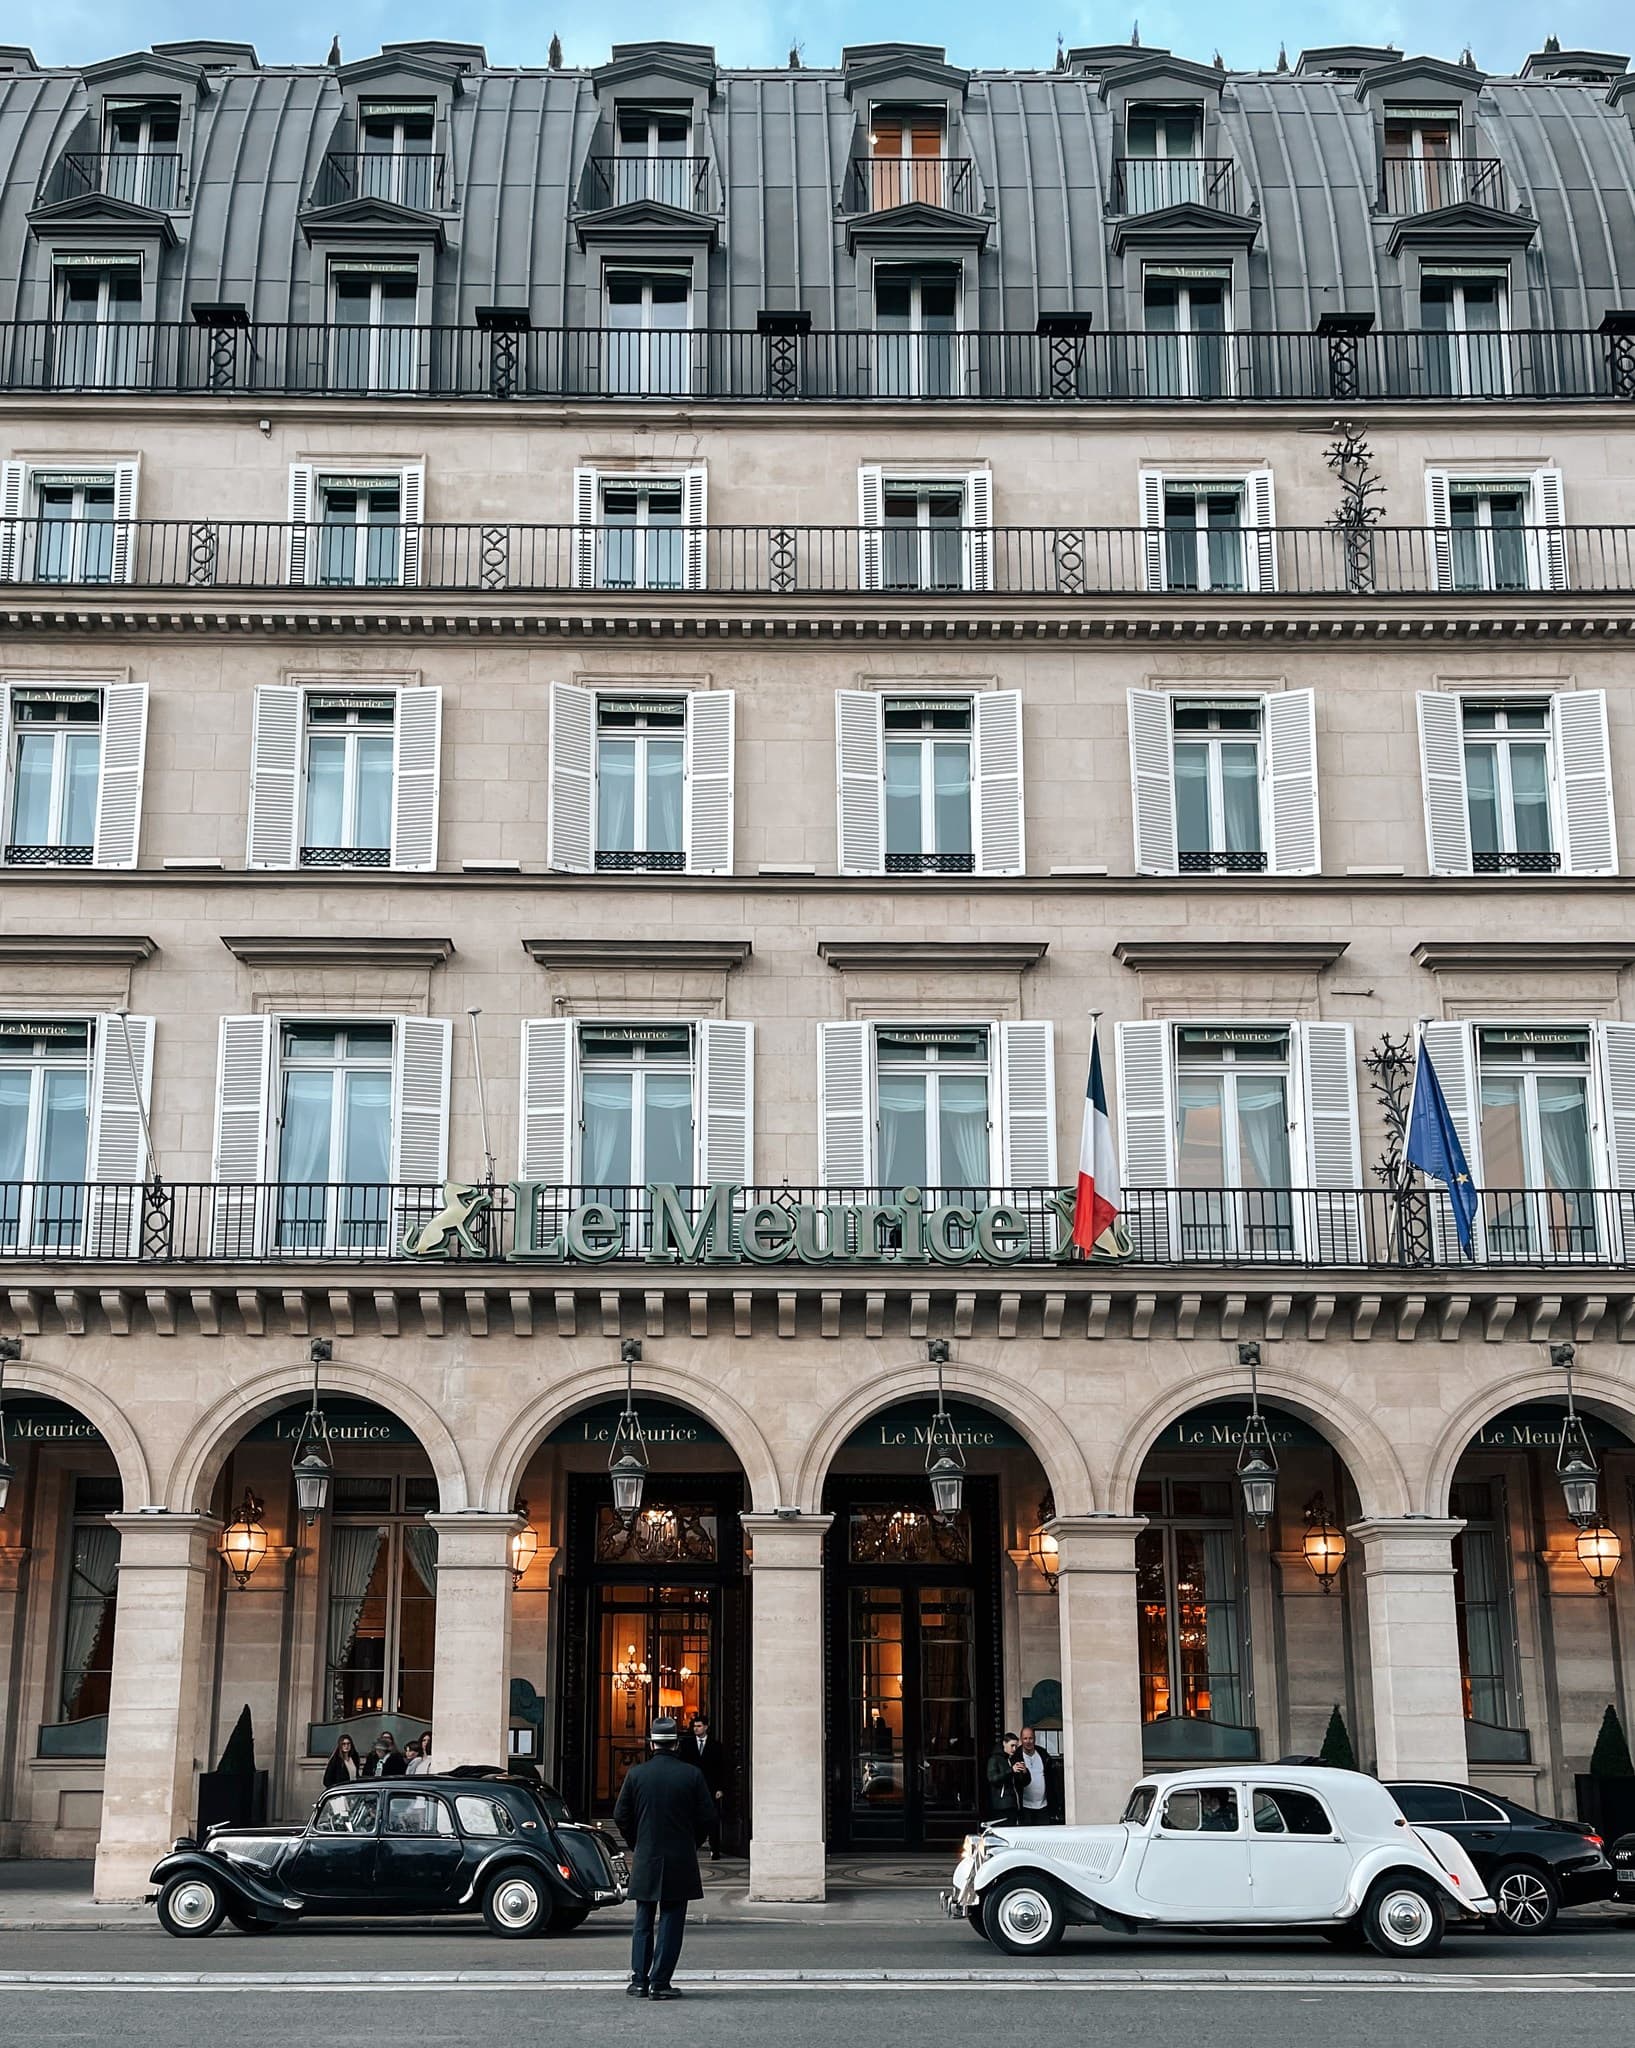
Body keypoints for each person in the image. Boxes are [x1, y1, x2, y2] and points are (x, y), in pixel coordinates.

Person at [612, 1716, 716, 2002]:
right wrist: (691, 1843)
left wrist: (638, 1843)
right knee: (672, 1920)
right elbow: (708, 1817)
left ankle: (638, 1981)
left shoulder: (636, 1775)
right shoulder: (691, 1774)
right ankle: (660, 1982)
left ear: (652, 1744)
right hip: (679, 1856)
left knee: (643, 1919)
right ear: (676, 1744)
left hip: (647, 1855)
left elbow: (620, 1816)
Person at [676, 1714, 727, 1860]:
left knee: (713, 1819)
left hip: (710, 1788)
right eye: (694, 1726)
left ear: (706, 1727)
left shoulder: (716, 1746)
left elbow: (721, 1768)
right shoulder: (687, 1745)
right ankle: (690, 1847)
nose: (696, 1729)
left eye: (698, 1726)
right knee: (690, 1818)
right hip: (691, 1788)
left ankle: (715, 1849)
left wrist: (720, 1788)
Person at [1015, 1727, 1061, 1824]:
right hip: (1025, 1807)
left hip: (1043, 1806)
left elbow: (1053, 1780)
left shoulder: (1043, 1754)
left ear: (1035, 1739)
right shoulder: (1016, 1757)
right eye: (1025, 1738)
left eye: (1030, 1738)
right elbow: (1016, 1782)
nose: (1028, 1741)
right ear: (1021, 1740)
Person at [985, 1732, 1028, 1820]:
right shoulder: (994, 1759)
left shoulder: (1013, 1759)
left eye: (1016, 1746)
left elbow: (1023, 1783)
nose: (1014, 1749)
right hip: (1001, 1805)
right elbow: (992, 1778)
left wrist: (1024, 1772)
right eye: (1012, 1745)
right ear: (1004, 1743)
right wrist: (1011, 1770)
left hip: (1014, 1803)